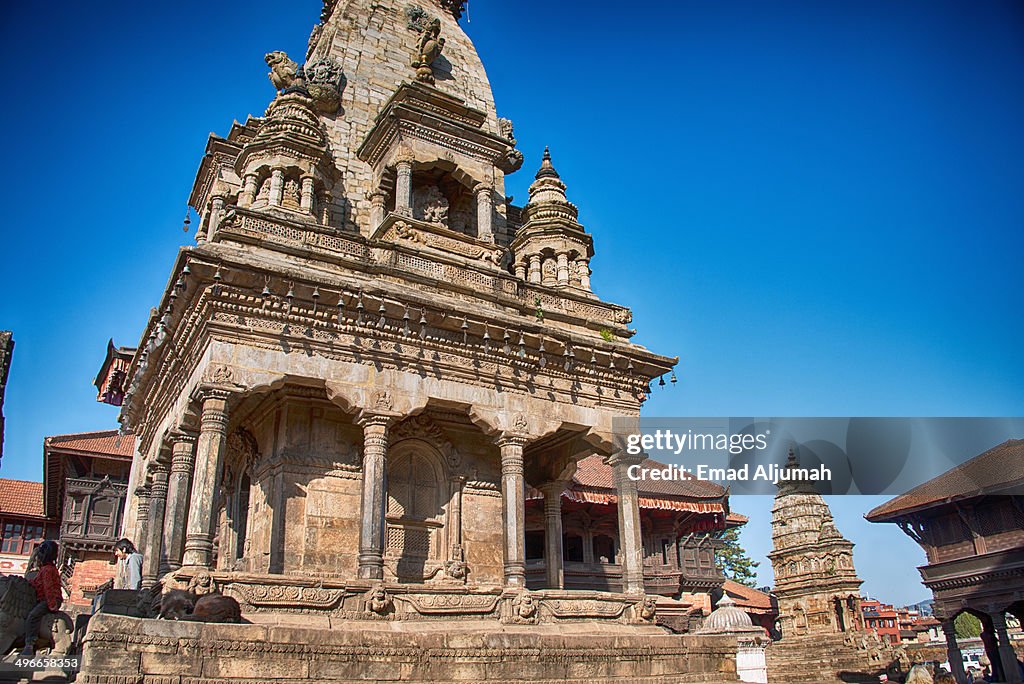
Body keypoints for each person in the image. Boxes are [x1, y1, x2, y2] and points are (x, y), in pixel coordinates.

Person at [19, 540, 62, 657]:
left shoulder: (47, 569)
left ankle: (29, 645)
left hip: (50, 599)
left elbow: (48, 588)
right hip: (46, 598)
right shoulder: (45, 569)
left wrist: (52, 604)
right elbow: (37, 583)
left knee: (33, 616)